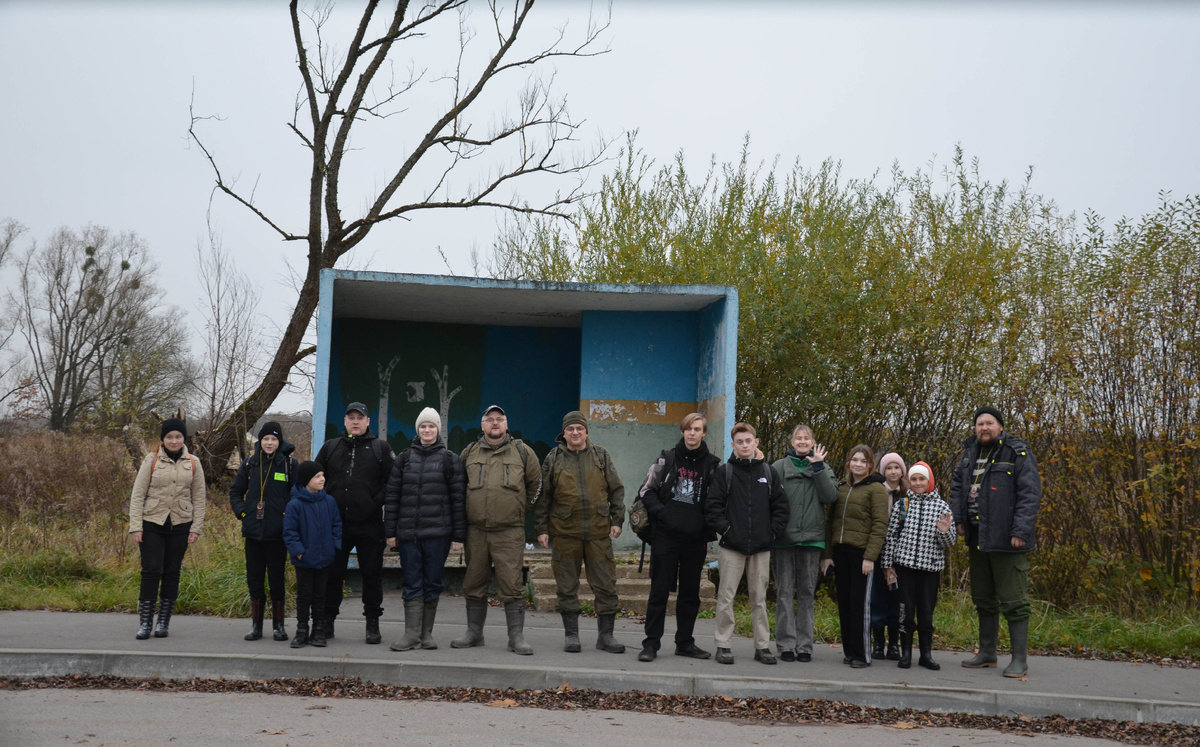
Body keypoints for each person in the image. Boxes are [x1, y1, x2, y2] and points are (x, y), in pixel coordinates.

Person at [950, 406, 1042, 678]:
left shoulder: (1017, 453)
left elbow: (1030, 494)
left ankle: (1019, 660)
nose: (984, 428)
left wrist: (1021, 531)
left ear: (1000, 427)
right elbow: (958, 489)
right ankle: (988, 653)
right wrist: (958, 520)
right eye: (979, 424)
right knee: (983, 598)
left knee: (1014, 600)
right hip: (978, 538)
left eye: (989, 423)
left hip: (1007, 539)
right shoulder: (969, 454)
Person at [534, 411, 627, 655]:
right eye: (570, 429)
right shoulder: (553, 458)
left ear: (586, 431)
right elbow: (544, 497)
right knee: (566, 586)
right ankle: (571, 635)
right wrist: (542, 529)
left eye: (580, 429)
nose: (575, 433)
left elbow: (616, 489)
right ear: (563, 433)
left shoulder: (600, 455)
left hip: (598, 533)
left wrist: (617, 520)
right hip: (565, 534)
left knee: (606, 586)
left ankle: (606, 636)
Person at [452, 405, 542, 655]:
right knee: (474, 582)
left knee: (512, 584)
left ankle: (516, 637)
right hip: (476, 531)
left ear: (506, 424)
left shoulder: (523, 452)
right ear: (482, 425)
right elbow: (458, 488)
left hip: (509, 532)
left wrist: (520, 509)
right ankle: (474, 633)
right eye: (489, 420)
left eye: (499, 419)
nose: (494, 423)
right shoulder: (469, 452)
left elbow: (536, 485)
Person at [635, 413, 722, 663]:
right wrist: (664, 514)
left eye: (697, 429)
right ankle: (651, 644)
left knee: (690, 595)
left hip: (696, 541)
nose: (692, 433)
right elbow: (646, 491)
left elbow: (717, 501)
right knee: (659, 592)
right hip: (666, 537)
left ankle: (685, 642)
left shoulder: (713, 465)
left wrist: (705, 525)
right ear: (682, 431)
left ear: (704, 433)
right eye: (688, 429)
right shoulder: (667, 458)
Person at [705, 422, 788, 666]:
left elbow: (781, 508)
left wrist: (770, 533)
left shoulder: (769, 472)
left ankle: (762, 647)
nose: (744, 445)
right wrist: (727, 530)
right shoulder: (725, 472)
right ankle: (723, 644)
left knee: (759, 599)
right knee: (725, 597)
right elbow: (712, 508)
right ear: (733, 445)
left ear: (756, 442)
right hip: (732, 546)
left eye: (748, 440)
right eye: (739, 442)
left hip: (761, 548)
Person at [384, 407, 467, 652]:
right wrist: (390, 532)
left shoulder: (450, 459)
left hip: (438, 534)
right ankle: (410, 636)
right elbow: (392, 496)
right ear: (417, 429)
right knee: (411, 582)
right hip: (408, 534)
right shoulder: (404, 458)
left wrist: (458, 535)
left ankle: (426, 634)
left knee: (432, 582)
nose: (427, 430)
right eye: (423, 426)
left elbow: (458, 499)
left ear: (438, 430)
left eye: (431, 426)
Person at [313, 402, 395, 644]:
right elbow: (314, 478)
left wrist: (373, 502)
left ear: (368, 421)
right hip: (336, 526)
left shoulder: (380, 448)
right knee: (333, 575)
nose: (355, 421)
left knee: (372, 575)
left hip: (370, 525)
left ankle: (372, 624)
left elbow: (392, 483)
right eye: (351, 417)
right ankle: (327, 622)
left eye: (360, 417)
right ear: (345, 421)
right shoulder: (330, 447)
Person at [128, 417, 206, 640]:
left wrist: (196, 528)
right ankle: (145, 623)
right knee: (151, 571)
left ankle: (163, 622)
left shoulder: (193, 462)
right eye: (170, 437)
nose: (174, 441)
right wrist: (136, 526)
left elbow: (199, 498)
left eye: (178, 437)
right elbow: (138, 495)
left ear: (184, 439)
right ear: (163, 439)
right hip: (152, 522)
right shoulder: (151, 461)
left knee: (172, 572)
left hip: (181, 524)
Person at [770, 424, 837, 663]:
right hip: (783, 540)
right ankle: (786, 645)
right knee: (784, 593)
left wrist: (817, 467)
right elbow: (768, 501)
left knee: (807, 593)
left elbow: (830, 497)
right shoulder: (777, 467)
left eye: (806, 438)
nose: (802, 441)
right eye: (798, 438)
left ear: (812, 442)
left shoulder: (823, 467)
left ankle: (805, 646)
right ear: (792, 442)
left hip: (812, 541)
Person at [881, 461, 956, 670]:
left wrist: (944, 531)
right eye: (913, 479)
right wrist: (888, 567)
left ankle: (926, 655)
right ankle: (905, 654)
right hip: (904, 568)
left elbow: (950, 542)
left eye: (921, 479)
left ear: (929, 480)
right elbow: (891, 538)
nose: (917, 483)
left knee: (926, 612)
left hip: (930, 570)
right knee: (905, 611)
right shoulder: (902, 505)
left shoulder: (942, 506)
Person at [229, 421, 298, 642]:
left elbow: (297, 496)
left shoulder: (289, 465)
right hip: (253, 533)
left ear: (280, 441)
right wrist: (243, 514)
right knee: (255, 580)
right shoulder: (250, 464)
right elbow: (236, 492)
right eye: (266, 439)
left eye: (274, 439)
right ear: (261, 441)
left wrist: (287, 519)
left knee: (277, 580)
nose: (270, 443)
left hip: (278, 535)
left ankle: (279, 626)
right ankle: (256, 626)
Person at [820, 444, 888, 668]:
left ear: (870, 465)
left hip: (862, 556)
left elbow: (880, 524)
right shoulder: (841, 488)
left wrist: (870, 556)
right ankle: (849, 650)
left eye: (863, 461)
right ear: (849, 463)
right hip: (841, 553)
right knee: (846, 604)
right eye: (854, 460)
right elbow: (831, 522)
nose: (858, 464)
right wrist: (828, 555)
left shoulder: (877, 488)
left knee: (860, 605)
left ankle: (862, 654)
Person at [283, 461, 343, 649]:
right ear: (306, 480)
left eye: (323, 475)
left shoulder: (329, 501)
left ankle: (319, 629)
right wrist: (299, 552)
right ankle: (302, 630)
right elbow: (290, 532)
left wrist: (334, 546)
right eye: (317, 476)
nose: (322, 479)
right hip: (304, 560)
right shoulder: (295, 505)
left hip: (324, 558)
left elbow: (336, 525)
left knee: (320, 595)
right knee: (304, 595)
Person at [871, 452, 907, 661]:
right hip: (878, 549)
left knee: (896, 596)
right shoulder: (877, 492)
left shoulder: (907, 494)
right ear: (883, 471)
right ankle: (878, 642)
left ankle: (894, 643)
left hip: (900, 553)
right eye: (889, 468)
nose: (893, 472)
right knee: (877, 597)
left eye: (897, 468)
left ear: (902, 471)